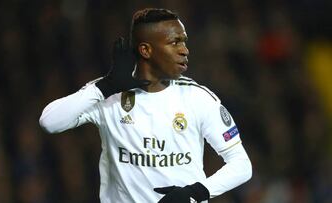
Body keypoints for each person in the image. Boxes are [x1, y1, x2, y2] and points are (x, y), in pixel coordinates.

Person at [39, 8, 252, 203]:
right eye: (174, 42)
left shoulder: (198, 98)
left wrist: (194, 193)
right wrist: (105, 86)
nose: (185, 50)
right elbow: (49, 122)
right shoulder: (109, 94)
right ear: (146, 50)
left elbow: (241, 165)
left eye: (184, 41)